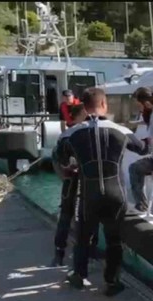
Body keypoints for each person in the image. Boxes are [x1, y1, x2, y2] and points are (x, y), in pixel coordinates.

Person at [55, 87, 147, 296]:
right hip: (116, 192)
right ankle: (112, 283)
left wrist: (72, 165)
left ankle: (79, 276)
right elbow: (142, 148)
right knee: (114, 239)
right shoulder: (121, 130)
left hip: (90, 192)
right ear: (104, 104)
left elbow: (61, 157)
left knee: (83, 236)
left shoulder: (71, 133)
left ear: (84, 107)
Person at [51, 104, 100, 267]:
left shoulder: (65, 134)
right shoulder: (88, 131)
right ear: (82, 114)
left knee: (66, 215)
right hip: (85, 180)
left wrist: (65, 172)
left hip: (70, 181)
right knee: (89, 217)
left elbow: (58, 160)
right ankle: (90, 251)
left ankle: (59, 254)